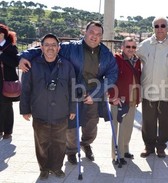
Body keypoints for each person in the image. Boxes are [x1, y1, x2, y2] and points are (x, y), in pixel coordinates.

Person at [19, 21, 118, 164]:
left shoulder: (106, 54)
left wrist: (96, 94)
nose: (94, 36)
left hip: (93, 94)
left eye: (98, 34)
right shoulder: (70, 48)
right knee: (71, 126)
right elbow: (47, 48)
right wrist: (25, 56)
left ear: (101, 37)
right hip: (72, 93)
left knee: (91, 126)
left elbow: (112, 75)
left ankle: (85, 143)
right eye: (92, 32)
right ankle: (71, 150)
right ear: (85, 32)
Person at [20, 33, 76, 180]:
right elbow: (25, 88)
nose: (50, 48)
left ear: (58, 48)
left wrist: (72, 108)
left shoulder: (67, 65)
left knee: (59, 143)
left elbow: (73, 88)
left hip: (61, 112)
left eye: (53, 45)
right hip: (40, 112)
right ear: (41, 47)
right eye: (47, 45)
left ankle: (57, 167)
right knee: (42, 142)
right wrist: (25, 110)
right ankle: (44, 168)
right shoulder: (31, 65)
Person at [136, 16, 168, 158]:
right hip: (148, 89)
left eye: (163, 25)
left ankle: (161, 146)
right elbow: (134, 61)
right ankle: (149, 146)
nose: (159, 28)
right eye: (157, 26)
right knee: (148, 121)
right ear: (153, 28)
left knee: (165, 122)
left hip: (167, 90)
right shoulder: (144, 45)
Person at [108, 37, 141, 164]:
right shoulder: (116, 60)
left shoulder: (137, 61)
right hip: (119, 100)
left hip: (132, 100)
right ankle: (117, 155)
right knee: (117, 129)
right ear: (122, 47)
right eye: (128, 46)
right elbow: (109, 78)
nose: (130, 49)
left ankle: (125, 149)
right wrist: (112, 97)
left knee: (128, 128)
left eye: (133, 47)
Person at [0, 24, 19, 140]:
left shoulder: (10, 47)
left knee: (6, 106)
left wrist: (2, 55)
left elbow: (15, 63)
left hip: (6, 81)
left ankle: (7, 131)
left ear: (2, 35)